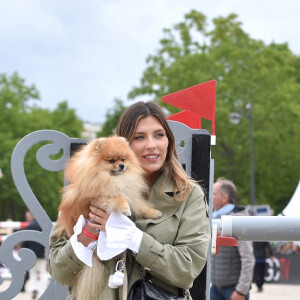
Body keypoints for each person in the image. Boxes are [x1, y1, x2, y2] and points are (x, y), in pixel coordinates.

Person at [48, 101, 211, 300]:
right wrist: (89, 232)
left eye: (159, 135)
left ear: (168, 140)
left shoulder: (188, 195)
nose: (151, 144)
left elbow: (187, 270)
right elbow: (58, 270)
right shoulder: (85, 189)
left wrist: (133, 238)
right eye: (139, 137)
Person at [210, 178, 255, 300]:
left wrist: (241, 290)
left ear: (224, 198)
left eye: (213, 193)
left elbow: (248, 258)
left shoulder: (238, 222)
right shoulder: (215, 218)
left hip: (233, 290)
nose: (209, 195)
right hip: (215, 288)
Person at [21, 211, 48, 299]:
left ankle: (33, 289)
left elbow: (25, 241)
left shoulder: (29, 226)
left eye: (28, 216)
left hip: (31, 255)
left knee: (33, 273)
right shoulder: (43, 226)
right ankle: (42, 291)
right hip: (42, 254)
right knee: (43, 274)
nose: (27, 218)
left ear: (32, 215)